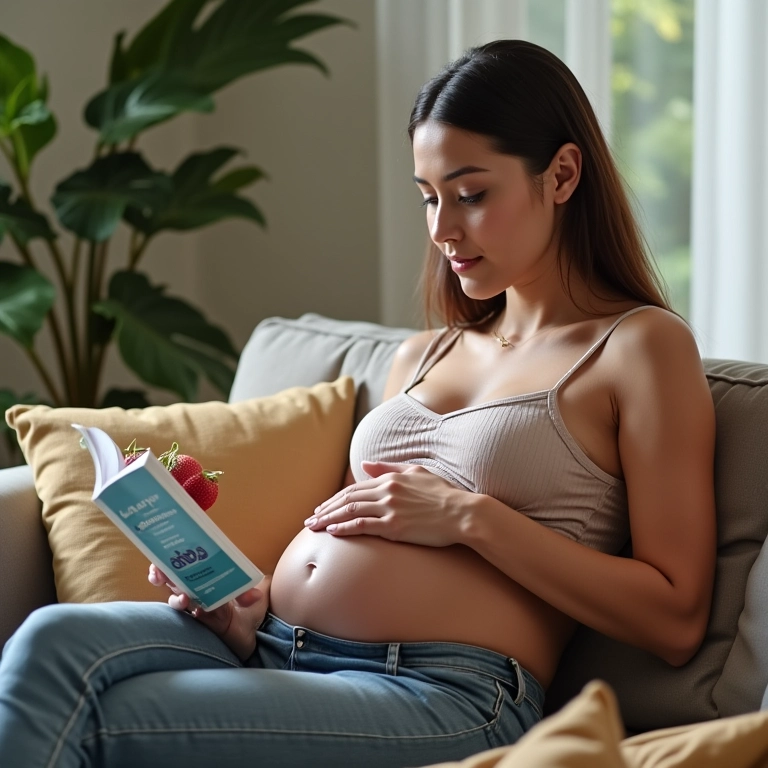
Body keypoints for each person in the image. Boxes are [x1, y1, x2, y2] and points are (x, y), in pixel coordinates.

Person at [0, 39, 716, 767]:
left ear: (561, 174)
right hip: (273, 646)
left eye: (471, 195)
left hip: (441, 691)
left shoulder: (638, 348)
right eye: (429, 197)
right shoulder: (422, 354)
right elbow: (364, 528)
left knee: (115, 717)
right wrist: (243, 608)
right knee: (46, 642)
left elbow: (676, 615)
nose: (441, 230)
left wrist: (469, 518)